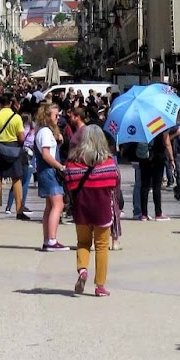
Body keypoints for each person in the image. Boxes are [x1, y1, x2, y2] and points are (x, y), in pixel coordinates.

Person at [63, 123, 117, 297]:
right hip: (102, 209)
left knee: (83, 243)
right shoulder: (108, 162)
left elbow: (69, 182)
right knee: (102, 246)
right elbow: (113, 183)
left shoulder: (73, 162)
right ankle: (100, 285)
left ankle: (82, 270)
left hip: (82, 209)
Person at [34, 99, 67, 251]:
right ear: (48, 116)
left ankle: (48, 238)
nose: (58, 117)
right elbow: (47, 155)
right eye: (56, 115)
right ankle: (52, 240)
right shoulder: (45, 132)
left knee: (50, 206)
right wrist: (60, 167)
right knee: (57, 205)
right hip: (49, 171)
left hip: (45, 171)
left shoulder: (44, 131)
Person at [0, 91, 25, 218]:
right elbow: (21, 137)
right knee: (16, 179)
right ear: (10, 103)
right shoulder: (16, 118)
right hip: (13, 148)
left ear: (0, 104)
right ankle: (19, 211)